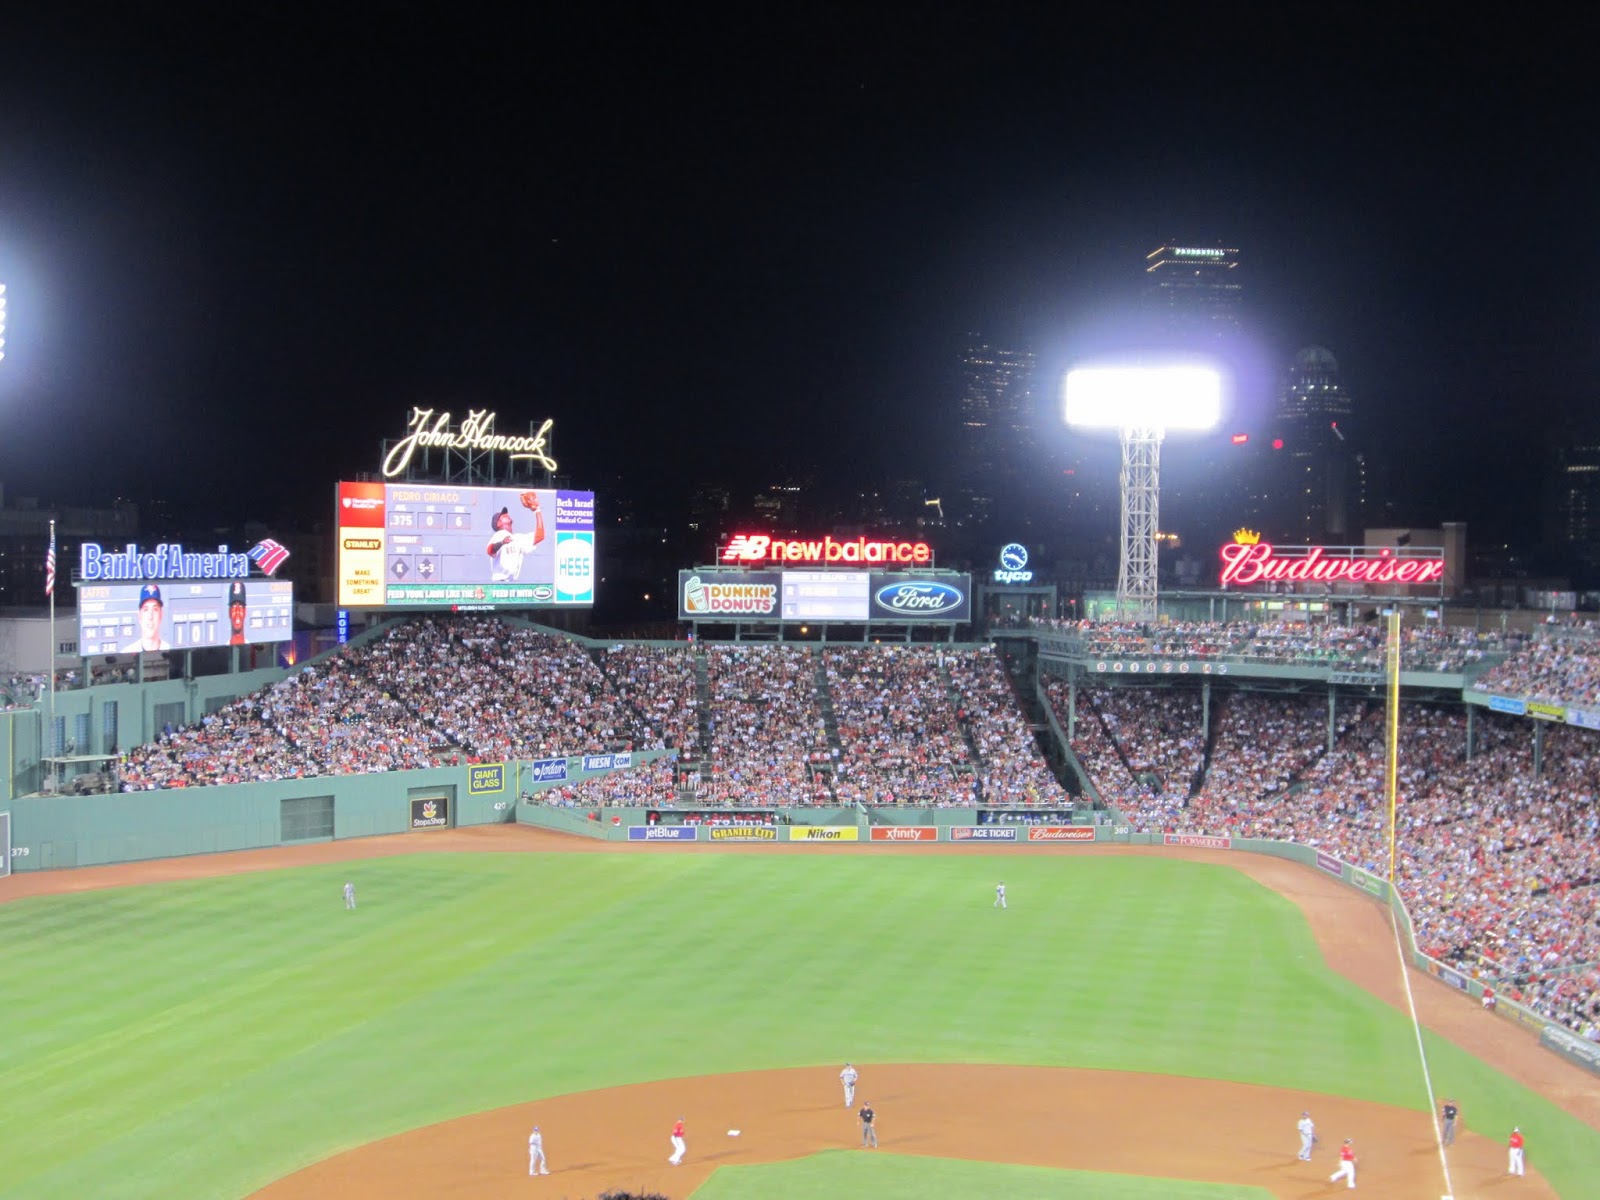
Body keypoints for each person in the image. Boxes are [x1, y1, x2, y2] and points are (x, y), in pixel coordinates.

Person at [486, 491, 545, 582]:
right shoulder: (498, 535)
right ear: (499, 523)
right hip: (499, 583)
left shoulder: (517, 538)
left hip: (511, 584)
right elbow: (490, 550)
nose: (507, 514)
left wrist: (537, 510)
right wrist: (502, 542)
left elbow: (540, 536)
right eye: (503, 515)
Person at [123, 583, 173, 652]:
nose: (150, 616)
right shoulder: (127, 652)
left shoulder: (171, 651)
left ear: (161, 615)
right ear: (139, 616)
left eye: (155, 609)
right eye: (146, 610)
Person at [227, 580, 248, 646]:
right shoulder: (222, 650)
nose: (237, 612)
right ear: (229, 612)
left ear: (245, 612)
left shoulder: (251, 647)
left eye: (241, 607)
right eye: (234, 607)